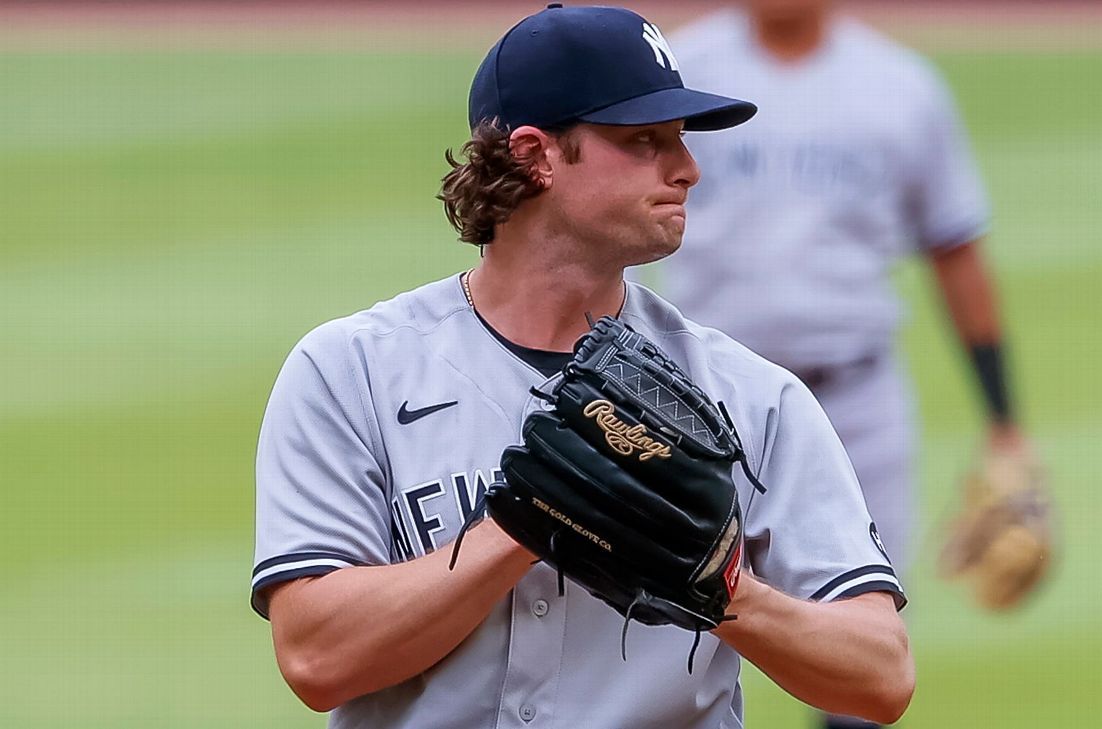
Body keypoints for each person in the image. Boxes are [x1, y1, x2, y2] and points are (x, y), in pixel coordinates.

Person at [250, 5, 913, 728]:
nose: (688, 169)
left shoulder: (751, 396)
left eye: (681, 139)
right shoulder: (351, 372)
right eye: (644, 141)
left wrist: (724, 589)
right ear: (536, 154)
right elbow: (317, 659)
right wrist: (526, 522)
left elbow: (879, 675)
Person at [649, 2, 1039, 726]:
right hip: (693, 405)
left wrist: (1004, 425)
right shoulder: (676, 70)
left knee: (858, 659)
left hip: (853, 408)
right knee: (654, 649)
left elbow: (956, 247)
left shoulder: (901, 86)